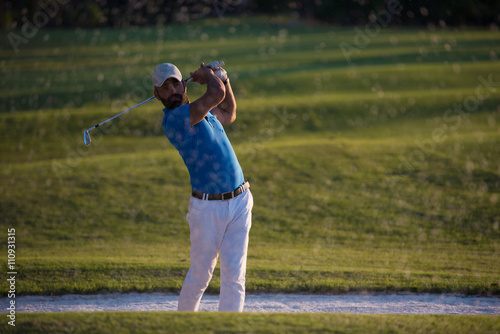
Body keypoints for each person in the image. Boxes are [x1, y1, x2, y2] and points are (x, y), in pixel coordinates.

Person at [152, 61, 253, 312]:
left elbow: (228, 111)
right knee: (200, 276)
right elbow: (215, 94)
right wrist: (209, 75)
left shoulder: (203, 112)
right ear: (157, 94)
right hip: (207, 209)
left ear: (183, 84)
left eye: (175, 83)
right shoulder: (175, 120)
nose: (172, 91)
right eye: (165, 88)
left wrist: (224, 78)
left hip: (240, 200)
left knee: (234, 277)